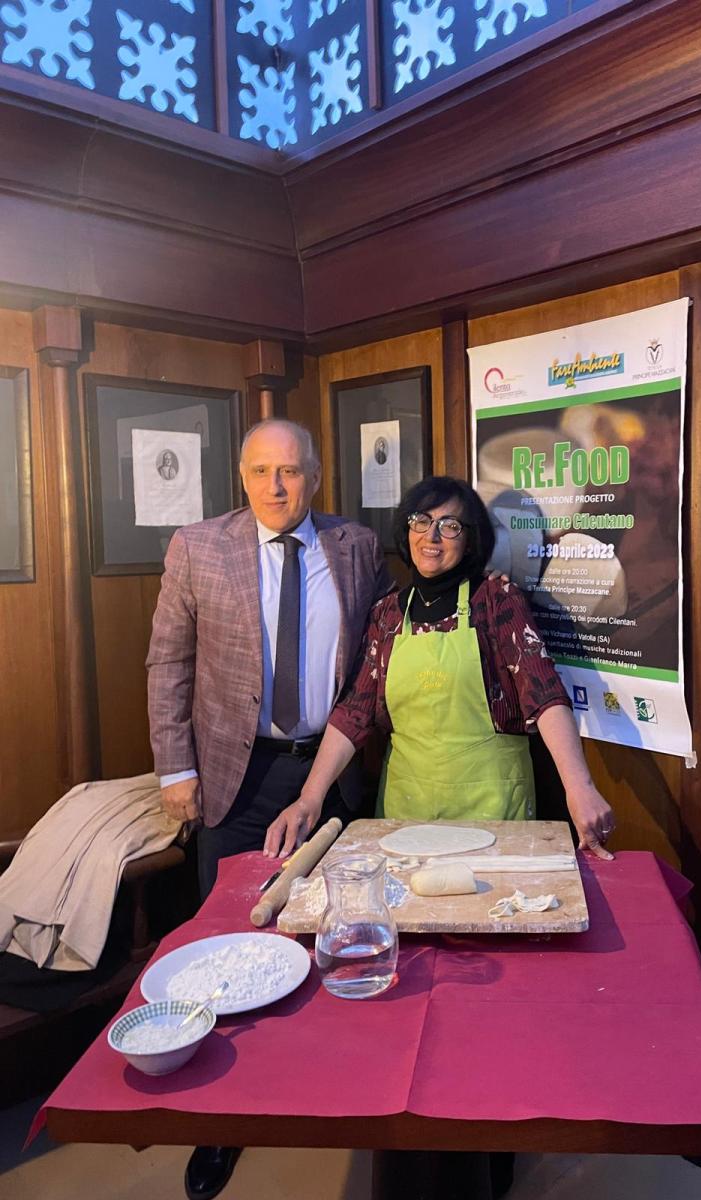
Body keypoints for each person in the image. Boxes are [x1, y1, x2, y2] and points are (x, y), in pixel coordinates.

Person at [146, 419, 393, 1200]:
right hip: (237, 774)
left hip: (333, 773)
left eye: (290, 471)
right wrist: (175, 769)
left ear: (315, 476)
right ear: (242, 475)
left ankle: (327, 1089)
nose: (276, 486)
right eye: (261, 470)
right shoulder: (198, 547)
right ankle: (220, 1120)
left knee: (335, 931)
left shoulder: (357, 547)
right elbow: (168, 662)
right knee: (224, 945)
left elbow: (375, 663)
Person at [265, 475, 615, 860]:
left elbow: (545, 696)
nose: (431, 536)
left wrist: (579, 787)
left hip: (494, 810)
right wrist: (309, 799)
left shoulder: (496, 600)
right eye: (421, 521)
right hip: (405, 816)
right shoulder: (387, 615)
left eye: (449, 526)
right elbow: (353, 713)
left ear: (470, 540)